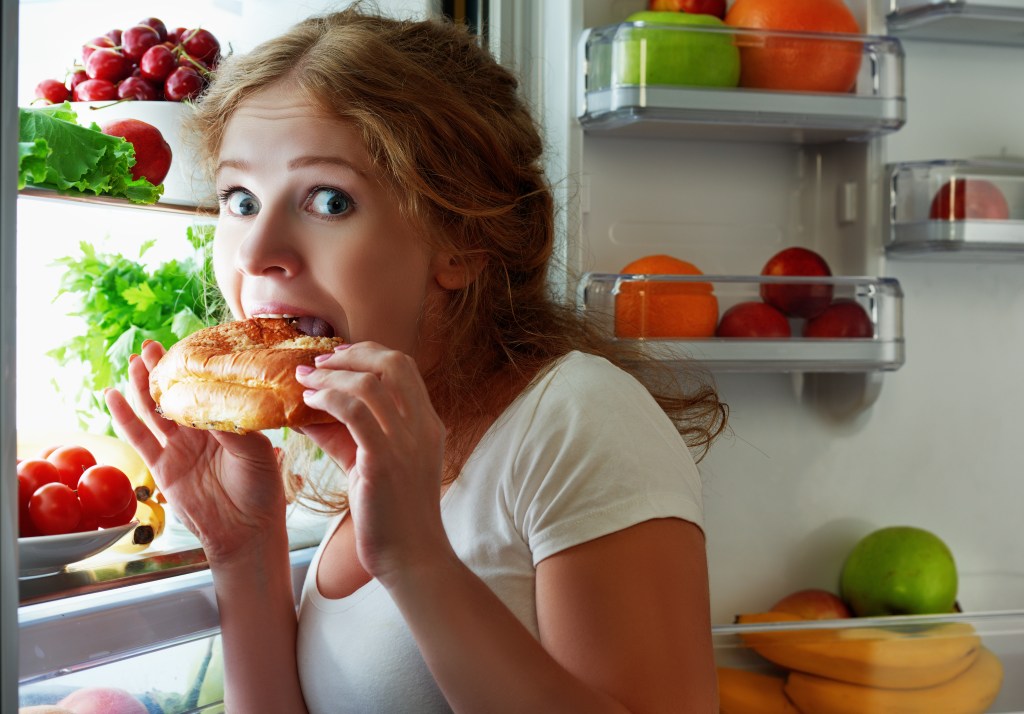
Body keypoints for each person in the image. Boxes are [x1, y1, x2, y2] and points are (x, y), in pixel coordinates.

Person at [105, 6, 728, 713]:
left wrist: (415, 560)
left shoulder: (578, 420)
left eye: (329, 200)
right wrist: (243, 546)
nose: (255, 251)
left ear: (459, 238)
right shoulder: (335, 444)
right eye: (241, 199)